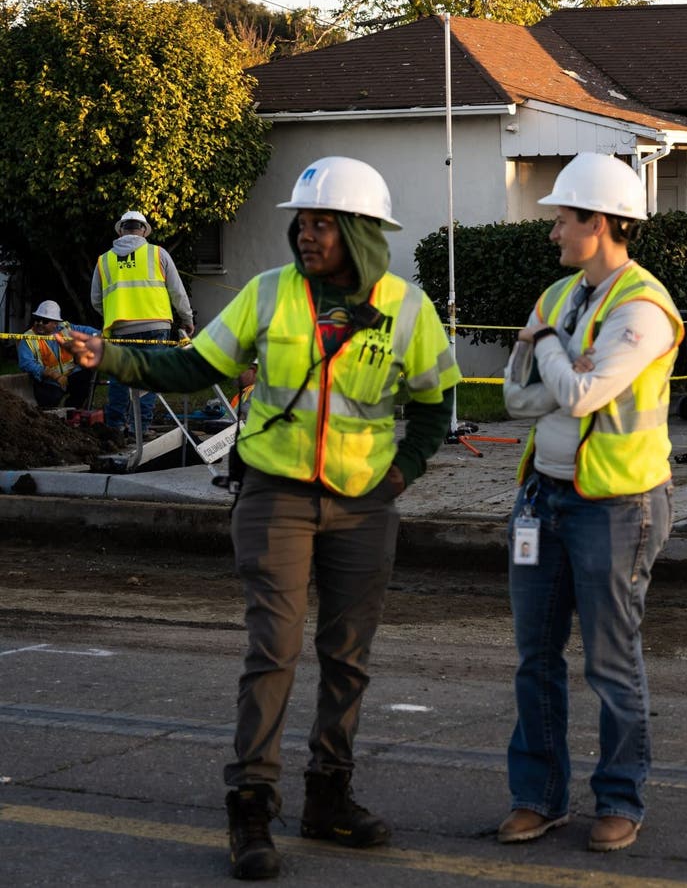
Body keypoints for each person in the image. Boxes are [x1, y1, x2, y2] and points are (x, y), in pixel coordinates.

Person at [61, 156, 461, 880]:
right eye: (301, 223)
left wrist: (404, 472)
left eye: (321, 224)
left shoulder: (407, 308)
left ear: (360, 231)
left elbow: (437, 406)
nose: (305, 236)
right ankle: (251, 803)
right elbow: (193, 367)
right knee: (273, 652)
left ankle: (328, 798)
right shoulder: (268, 294)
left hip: (364, 506)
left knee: (347, 658)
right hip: (274, 496)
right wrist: (113, 357)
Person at [497, 152, 681, 853]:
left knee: (610, 660)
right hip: (541, 496)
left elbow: (581, 395)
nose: (553, 234)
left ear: (599, 222)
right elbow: (518, 396)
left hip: (616, 504)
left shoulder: (643, 310)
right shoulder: (559, 295)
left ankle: (619, 799)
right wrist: (560, 357)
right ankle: (537, 799)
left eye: (563, 219)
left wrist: (547, 347)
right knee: (534, 657)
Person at [90, 209, 195, 432]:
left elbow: (96, 300)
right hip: (155, 325)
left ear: (121, 231)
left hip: (119, 328)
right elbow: (177, 291)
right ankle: (140, 428)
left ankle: (116, 426)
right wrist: (186, 319)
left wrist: (114, 313)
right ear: (144, 231)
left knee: (119, 379)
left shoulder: (104, 260)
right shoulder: (158, 254)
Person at [17, 300, 98, 409]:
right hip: (48, 381)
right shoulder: (28, 338)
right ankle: (52, 419)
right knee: (48, 401)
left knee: (84, 379)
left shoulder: (64, 328)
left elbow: (86, 331)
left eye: (45, 321)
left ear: (55, 323)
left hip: (70, 375)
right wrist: (52, 374)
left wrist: (102, 335)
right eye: (37, 319)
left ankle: (72, 412)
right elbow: (26, 363)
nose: (40, 323)